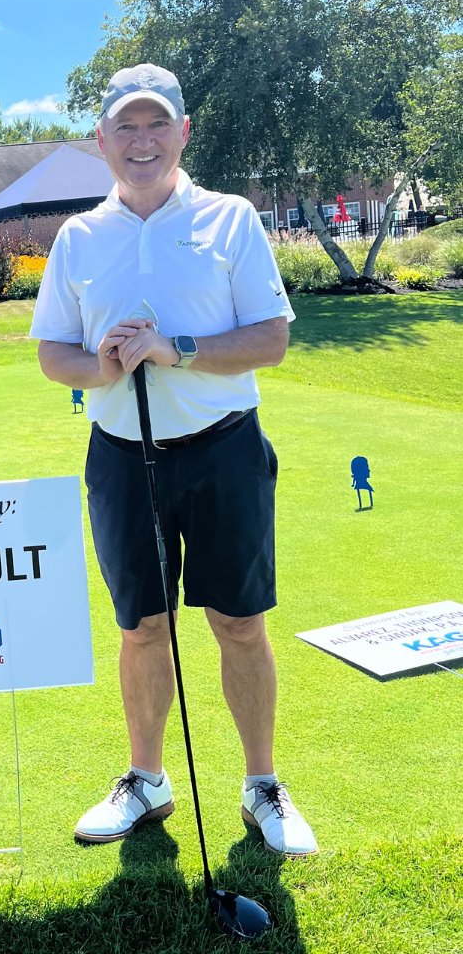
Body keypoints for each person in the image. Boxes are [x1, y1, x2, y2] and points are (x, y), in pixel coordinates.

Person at [29, 64, 317, 858]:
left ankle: (263, 787)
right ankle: (146, 781)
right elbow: (55, 353)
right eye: (126, 126)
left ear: (184, 132)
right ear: (102, 141)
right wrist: (103, 368)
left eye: (157, 125)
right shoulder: (81, 236)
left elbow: (271, 339)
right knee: (142, 626)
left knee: (239, 623)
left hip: (224, 450)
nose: (142, 140)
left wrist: (174, 348)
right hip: (123, 457)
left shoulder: (230, 220)